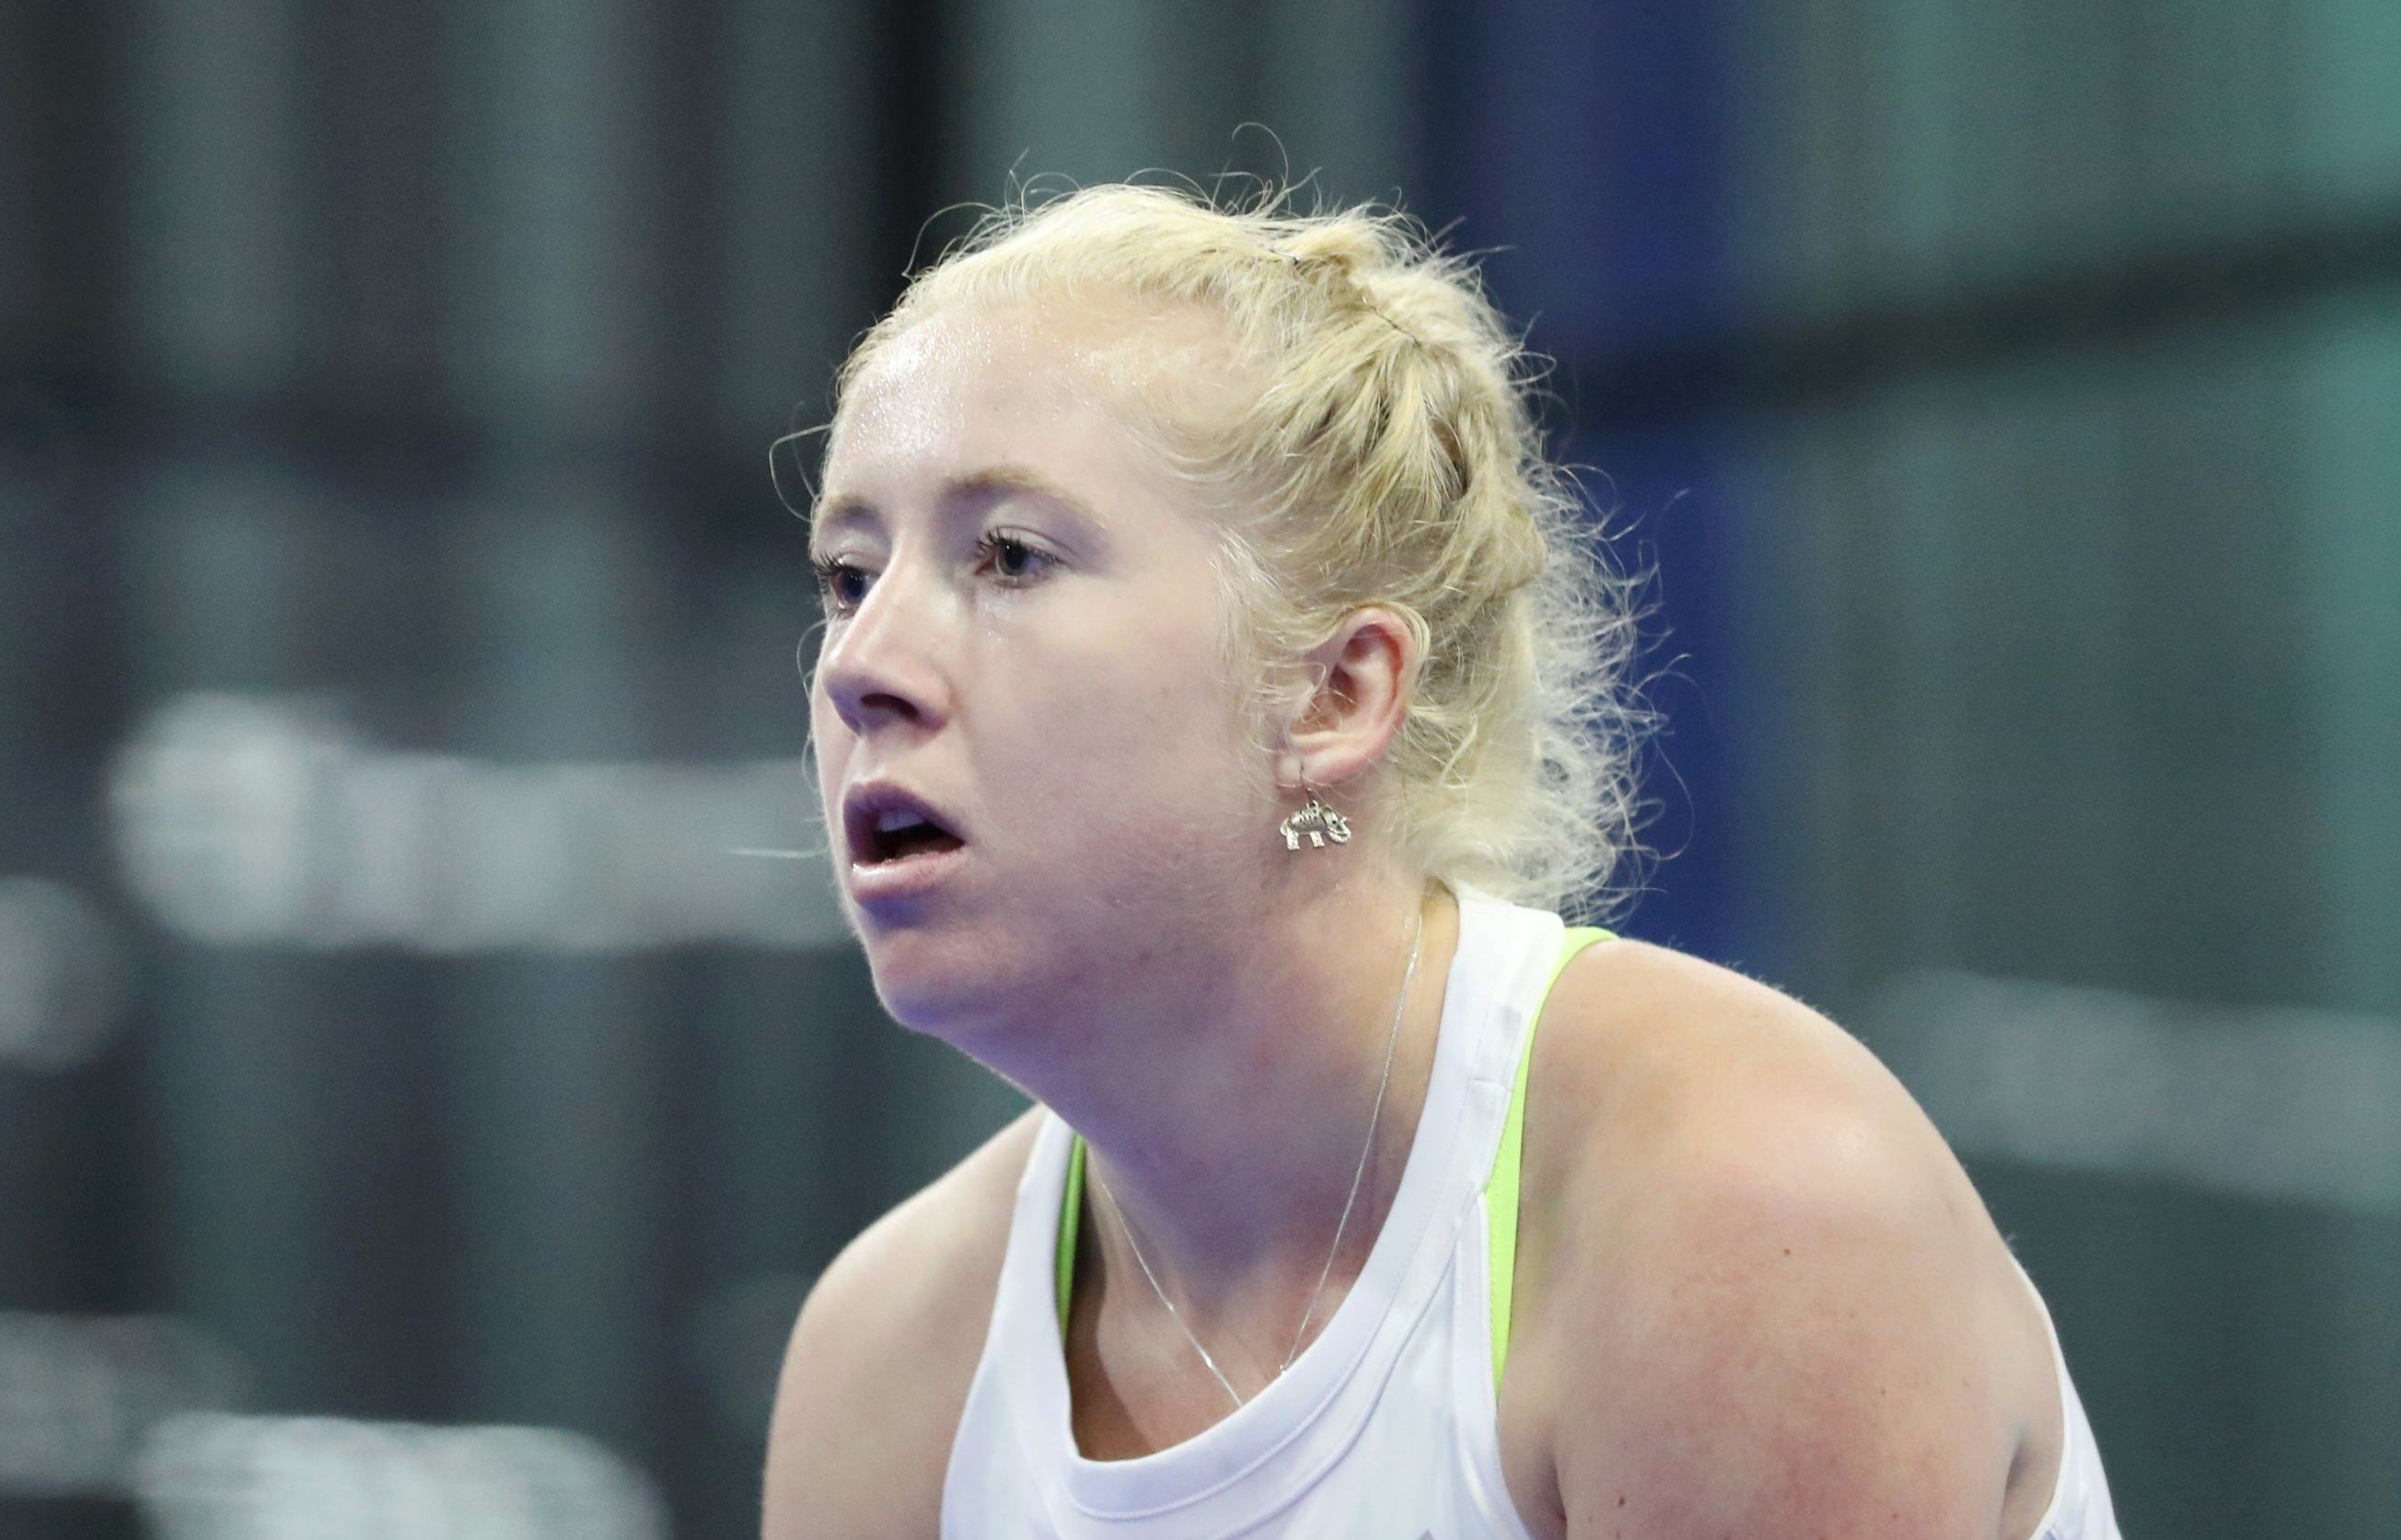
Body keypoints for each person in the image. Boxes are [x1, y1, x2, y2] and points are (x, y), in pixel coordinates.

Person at [761, 184, 2118, 1540]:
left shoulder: (1746, 1210)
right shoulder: (886, 1364)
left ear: (1337, 695)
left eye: (1007, 556)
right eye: (846, 575)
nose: (863, 668)